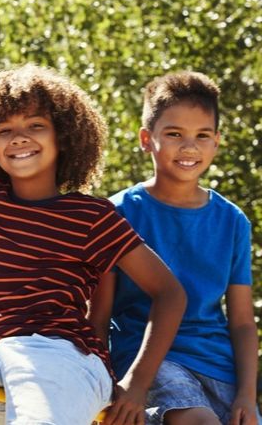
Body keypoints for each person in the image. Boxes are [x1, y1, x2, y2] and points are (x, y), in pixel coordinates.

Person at [0, 65, 187, 425]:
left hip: (58, 355)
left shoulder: (90, 215)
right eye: (5, 130)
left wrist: (137, 383)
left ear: (64, 137)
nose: (19, 137)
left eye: (36, 126)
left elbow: (170, 293)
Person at [92, 71, 260, 425]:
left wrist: (247, 392)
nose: (189, 147)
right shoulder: (118, 213)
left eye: (202, 136)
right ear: (146, 139)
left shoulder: (232, 221)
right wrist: (104, 381)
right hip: (146, 363)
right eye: (174, 134)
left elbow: (243, 322)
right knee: (199, 422)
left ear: (216, 142)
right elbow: (100, 314)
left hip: (219, 366)